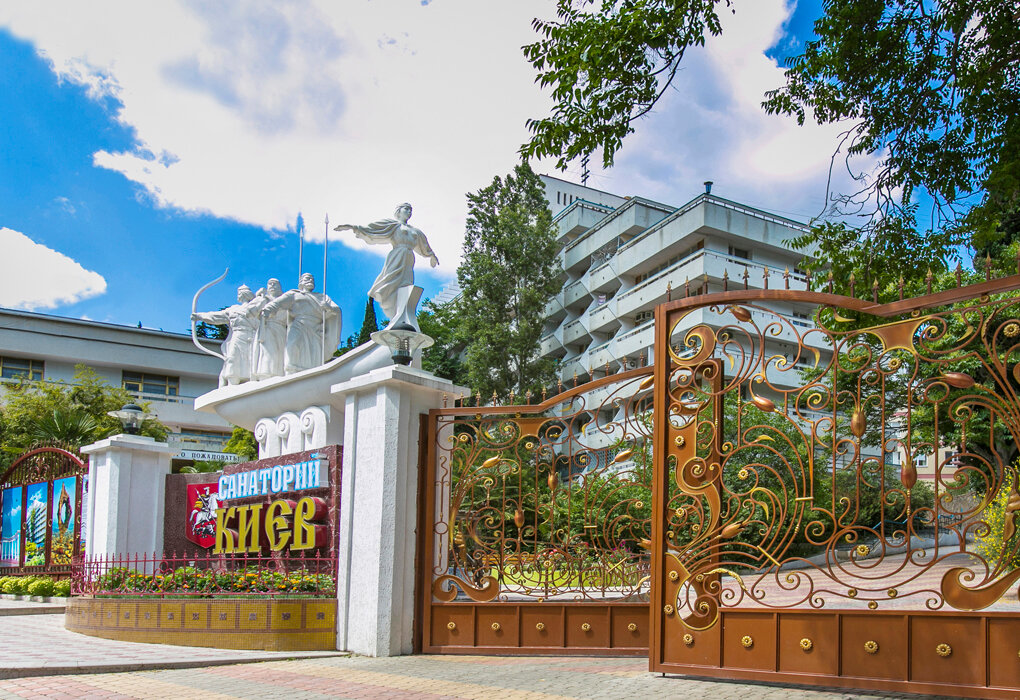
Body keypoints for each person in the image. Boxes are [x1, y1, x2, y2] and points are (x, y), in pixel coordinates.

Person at [334, 203, 439, 320]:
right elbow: (372, 230)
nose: (409, 212)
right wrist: (352, 227)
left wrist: (432, 256)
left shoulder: (415, 231)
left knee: (407, 285)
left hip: (409, 259)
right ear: (399, 211)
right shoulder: (393, 225)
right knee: (391, 281)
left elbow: (424, 245)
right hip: (397, 256)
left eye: (411, 210)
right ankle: (393, 311)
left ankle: (402, 313)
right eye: (406, 209)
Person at [261, 273, 341, 374]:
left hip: (315, 330)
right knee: (293, 348)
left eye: (312, 279)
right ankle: (291, 372)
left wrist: (329, 307)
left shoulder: (322, 297)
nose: (311, 280)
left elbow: (337, 310)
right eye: (308, 278)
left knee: (313, 355)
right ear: (301, 282)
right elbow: (277, 303)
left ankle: (312, 376)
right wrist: (267, 309)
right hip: (298, 325)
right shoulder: (294, 294)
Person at [191, 285, 259, 386]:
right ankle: (232, 382)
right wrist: (200, 316)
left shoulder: (256, 308)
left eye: (240, 293)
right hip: (238, 335)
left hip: (253, 337)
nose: (238, 295)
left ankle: (251, 381)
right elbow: (217, 316)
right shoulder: (234, 309)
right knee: (232, 358)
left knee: (252, 360)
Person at [251, 278, 286, 380]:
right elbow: (250, 312)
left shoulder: (284, 301)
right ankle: (265, 374)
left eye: (275, 284)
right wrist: (258, 298)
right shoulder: (264, 299)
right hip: (267, 328)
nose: (272, 286)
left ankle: (279, 375)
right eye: (270, 284)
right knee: (267, 351)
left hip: (281, 329)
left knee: (280, 353)